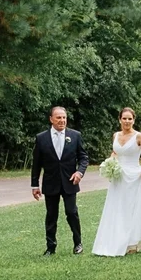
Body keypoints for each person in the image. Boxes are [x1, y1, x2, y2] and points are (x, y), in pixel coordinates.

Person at [92, 107, 141, 257]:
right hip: (118, 177)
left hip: (134, 177)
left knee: (132, 209)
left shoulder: (138, 136)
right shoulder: (116, 135)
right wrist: (111, 162)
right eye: (124, 118)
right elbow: (116, 152)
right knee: (116, 207)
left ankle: (132, 243)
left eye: (130, 119)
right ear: (119, 119)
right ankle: (114, 240)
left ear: (134, 120)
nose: (127, 121)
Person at [31, 106, 89, 256]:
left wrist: (79, 172)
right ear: (51, 119)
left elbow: (83, 158)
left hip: (70, 182)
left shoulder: (75, 136)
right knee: (51, 215)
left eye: (64, 117)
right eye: (58, 117)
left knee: (72, 212)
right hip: (50, 182)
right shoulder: (41, 138)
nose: (62, 120)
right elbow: (36, 164)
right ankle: (51, 247)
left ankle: (78, 243)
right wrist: (35, 185)